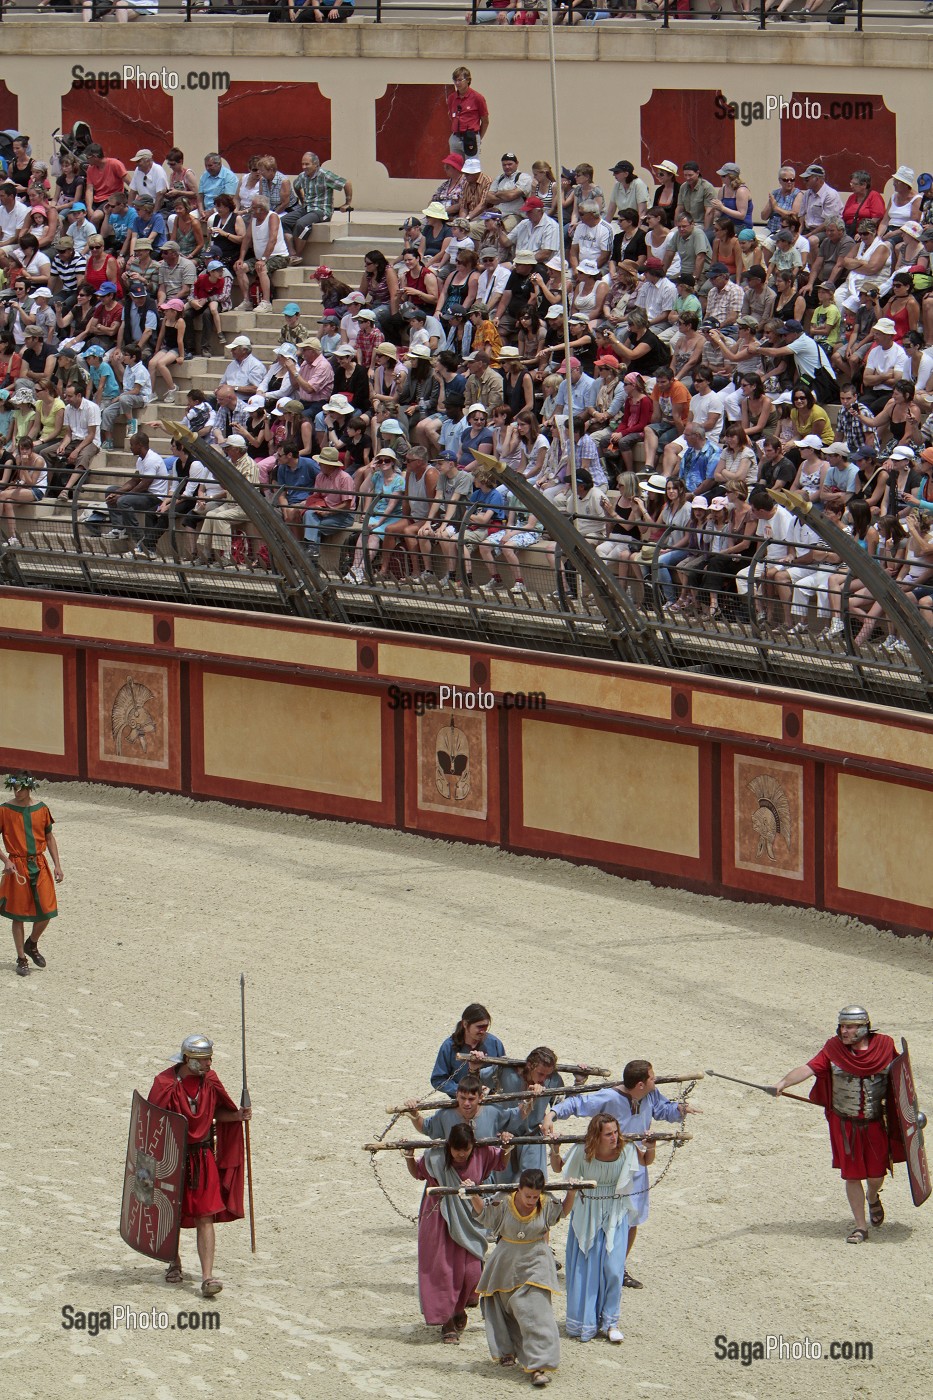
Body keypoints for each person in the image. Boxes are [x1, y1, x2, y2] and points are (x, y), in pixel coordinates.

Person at [544, 1059, 699, 1288]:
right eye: (652, 1077)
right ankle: (594, 1265)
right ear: (639, 1084)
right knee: (602, 1218)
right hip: (609, 1166)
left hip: (634, 1163)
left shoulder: (650, 1094)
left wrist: (679, 1109)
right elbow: (578, 1103)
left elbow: (662, 1110)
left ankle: (618, 1267)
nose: (655, 1080)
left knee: (631, 1219)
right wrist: (552, 1114)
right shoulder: (608, 1097)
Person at [774, 1006, 906, 1244]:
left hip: (875, 1122)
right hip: (845, 1125)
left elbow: (901, 1079)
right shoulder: (833, 1050)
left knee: (876, 1174)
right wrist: (783, 1082)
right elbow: (808, 1068)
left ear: (864, 1027)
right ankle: (860, 1227)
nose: (844, 1031)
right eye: (842, 1026)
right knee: (852, 1176)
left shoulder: (885, 1047)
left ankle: (873, 1196)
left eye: (850, 1027)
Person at [147, 1033, 250, 1296]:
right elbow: (151, 1124)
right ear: (187, 1058)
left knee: (205, 1215)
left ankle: (207, 1276)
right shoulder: (165, 1083)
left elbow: (218, 1113)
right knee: (170, 1212)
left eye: (209, 1059)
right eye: (203, 1060)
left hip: (203, 1156)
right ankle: (173, 1261)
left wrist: (237, 1115)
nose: (208, 1064)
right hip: (173, 1156)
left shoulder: (211, 1082)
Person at [404, 1123, 510, 1344]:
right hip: (438, 1218)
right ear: (449, 1146)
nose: (461, 1154)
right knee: (442, 1271)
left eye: (466, 1149)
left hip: (470, 1217)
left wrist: (507, 1147)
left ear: (473, 1146)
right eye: (456, 1149)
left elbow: (501, 1161)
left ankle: (459, 1308)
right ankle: (447, 1321)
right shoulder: (435, 1157)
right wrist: (408, 1157)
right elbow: (418, 1173)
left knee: (471, 1273)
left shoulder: (482, 1153)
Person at [546, 1114, 645, 1343]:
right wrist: (555, 1149)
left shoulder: (626, 1149)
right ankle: (585, 1321)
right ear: (596, 1137)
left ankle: (611, 1321)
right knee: (586, 1268)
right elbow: (559, 1167)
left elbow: (646, 1160)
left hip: (615, 1210)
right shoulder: (583, 1151)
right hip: (587, 1210)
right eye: (608, 1134)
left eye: (615, 1132)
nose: (614, 1137)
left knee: (613, 1266)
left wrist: (650, 1146)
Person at [469, 1169, 572, 1387]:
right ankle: (508, 1351)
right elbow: (484, 1216)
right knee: (504, 1309)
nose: (531, 1201)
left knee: (535, 1312)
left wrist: (571, 1192)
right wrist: (473, 1195)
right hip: (506, 1261)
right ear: (519, 1190)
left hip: (536, 1260)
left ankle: (538, 1366)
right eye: (528, 1196)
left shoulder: (546, 1203)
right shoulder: (503, 1202)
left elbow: (561, 1213)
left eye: (535, 1197)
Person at [0, 772, 63, 978]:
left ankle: (32, 943)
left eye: (21, 788)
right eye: (15, 788)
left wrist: (57, 865)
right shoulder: (4, 810)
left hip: (39, 863)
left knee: (47, 910)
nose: (17, 792)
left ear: (30, 788)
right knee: (18, 915)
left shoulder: (41, 809)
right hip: (16, 866)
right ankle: (21, 959)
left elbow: (49, 837)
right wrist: (6, 861)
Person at [431, 1002, 505, 1094]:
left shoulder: (495, 1043)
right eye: (479, 1027)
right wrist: (463, 1091)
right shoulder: (448, 1046)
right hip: (461, 1102)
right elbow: (438, 1079)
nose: (483, 1031)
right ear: (465, 1024)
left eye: (485, 1026)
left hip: (489, 1100)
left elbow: (503, 1075)